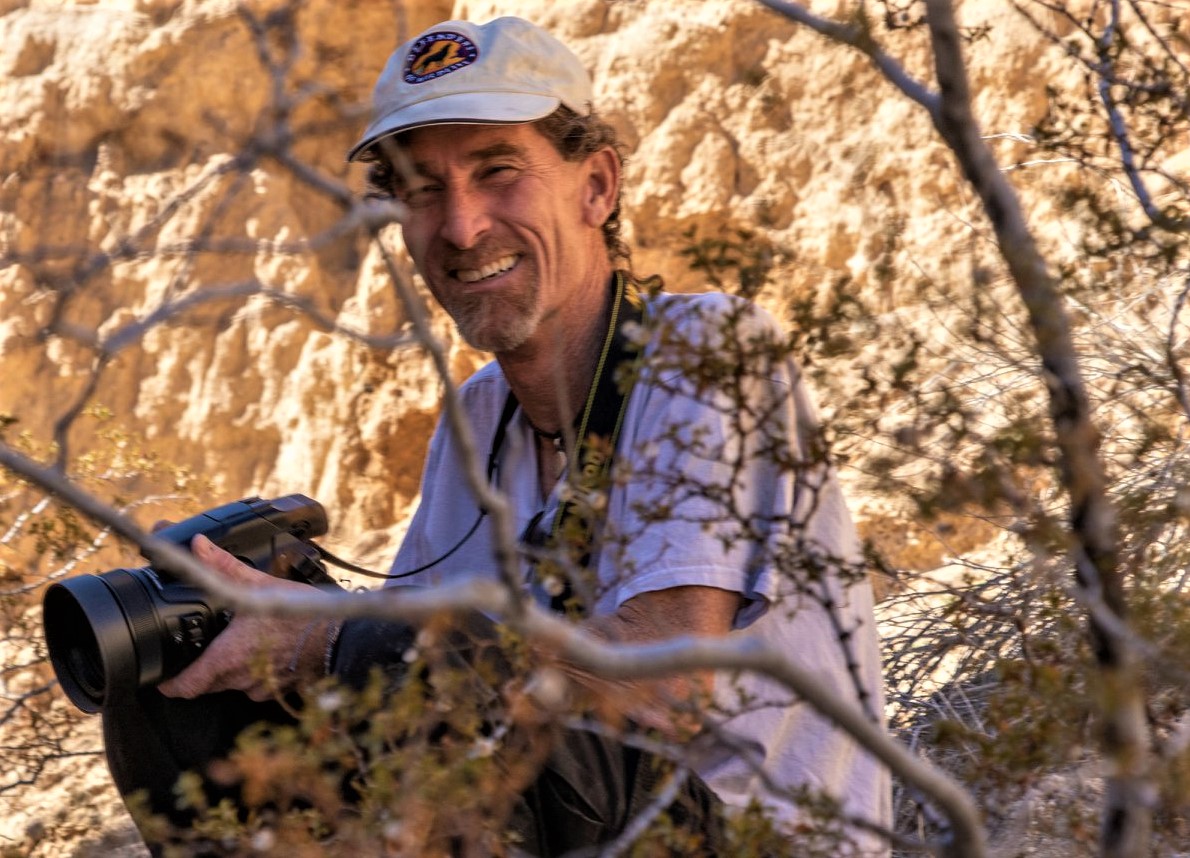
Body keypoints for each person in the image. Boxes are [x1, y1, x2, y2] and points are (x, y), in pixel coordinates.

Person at [110, 15, 890, 856]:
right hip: (581, 825)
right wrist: (265, 626)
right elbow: (394, 694)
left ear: (597, 185)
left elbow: (667, 690)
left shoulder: (707, 353)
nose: (462, 226)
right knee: (174, 678)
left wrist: (332, 632)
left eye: (497, 172)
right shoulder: (482, 418)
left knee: (416, 657)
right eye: (422, 190)